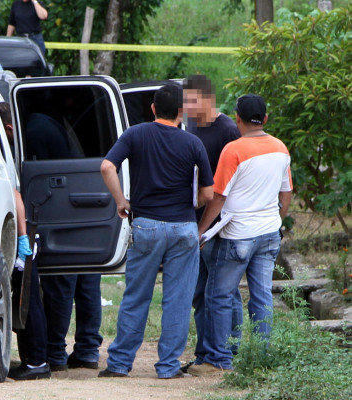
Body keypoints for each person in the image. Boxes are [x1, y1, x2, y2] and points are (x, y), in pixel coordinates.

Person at [98, 82, 214, 379]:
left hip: (146, 225)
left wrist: (121, 200)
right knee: (177, 299)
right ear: (181, 112)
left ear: (152, 109)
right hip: (184, 229)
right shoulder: (193, 143)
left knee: (136, 295)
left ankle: (120, 364)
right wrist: (194, 203)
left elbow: (107, 167)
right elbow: (209, 194)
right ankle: (168, 367)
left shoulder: (136, 134)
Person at [188, 94, 292, 376]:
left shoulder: (233, 150)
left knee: (218, 295)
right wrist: (276, 220)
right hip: (269, 233)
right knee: (261, 297)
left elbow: (218, 197)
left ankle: (218, 359)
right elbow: (286, 192)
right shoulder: (280, 148)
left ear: (237, 118)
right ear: (266, 119)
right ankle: (260, 357)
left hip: (237, 236)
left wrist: (201, 231)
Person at [20, 92, 104, 372]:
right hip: (88, 210)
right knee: (88, 282)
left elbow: (37, 178)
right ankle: (88, 350)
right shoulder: (57, 125)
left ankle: (55, 353)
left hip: (59, 214)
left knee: (60, 285)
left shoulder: (33, 129)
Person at [181, 74, 242, 372]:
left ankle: (232, 349)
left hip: (219, 223)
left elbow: (236, 181)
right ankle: (205, 352)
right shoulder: (190, 127)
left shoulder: (228, 130)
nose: (188, 107)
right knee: (200, 291)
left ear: (208, 99)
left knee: (224, 292)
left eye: (193, 101)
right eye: (185, 101)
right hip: (194, 220)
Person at [0, 102, 51, 380]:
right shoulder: (5, 150)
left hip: (23, 235)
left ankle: (37, 362)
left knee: (29, 301)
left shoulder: (3, 152)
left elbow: (16, 197)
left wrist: (21, 239)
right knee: (27, 299)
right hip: (24, 233)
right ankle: (32, 360)